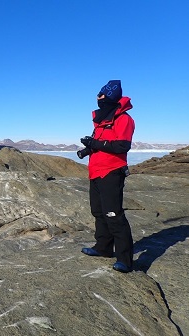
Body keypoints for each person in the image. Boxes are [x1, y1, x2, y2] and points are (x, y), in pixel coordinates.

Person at [80, 80, 135, 273]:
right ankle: (103, 248)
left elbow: (122, 146)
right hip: (95, 171)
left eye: (101, 94)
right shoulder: (103, 120)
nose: (98, 98)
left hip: (112, 171)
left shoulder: (123, 119)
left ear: (110, 96)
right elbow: (102, 142)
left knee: (113, 214)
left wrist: (95, 144)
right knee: (98, 212)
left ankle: (125, 260)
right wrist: (87, 149)